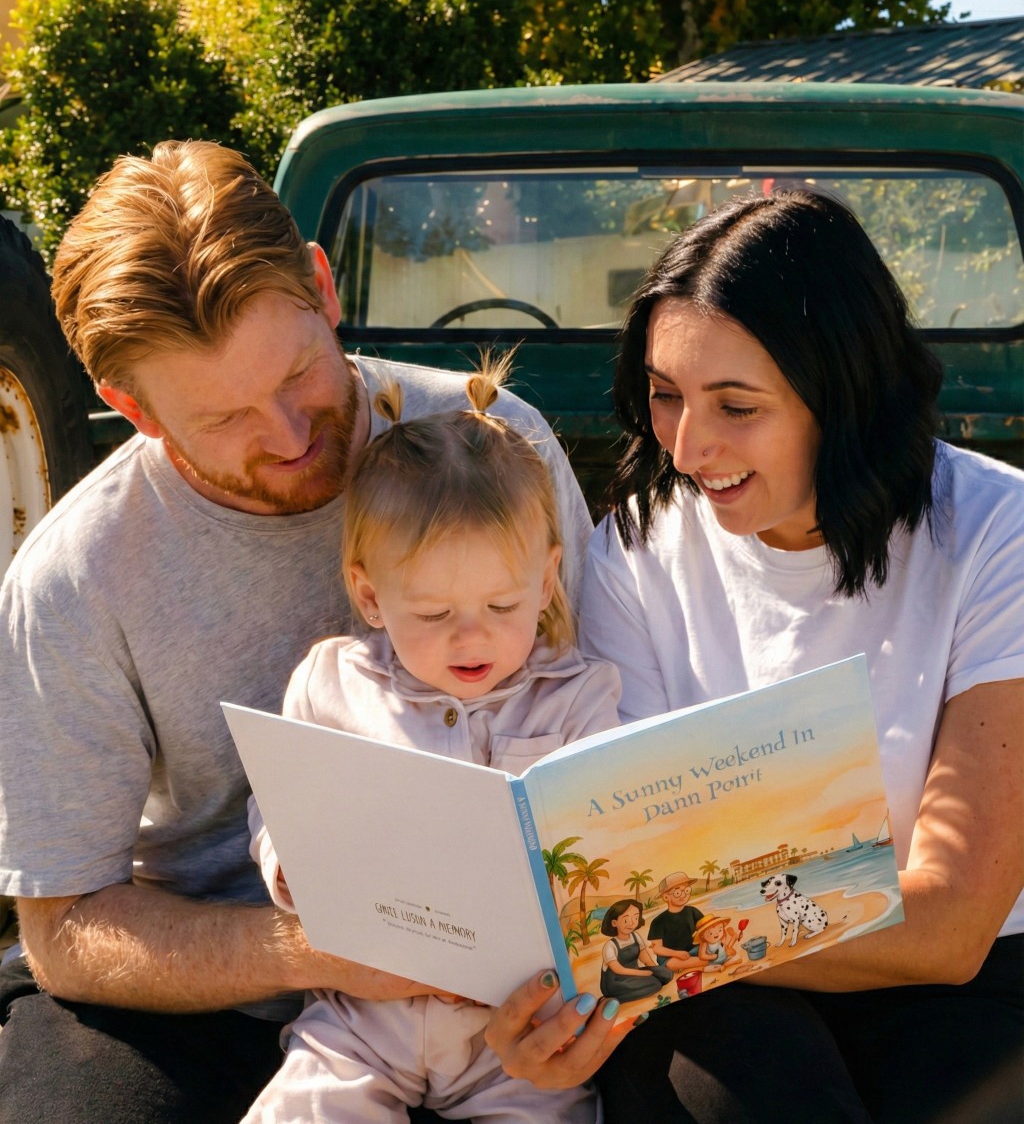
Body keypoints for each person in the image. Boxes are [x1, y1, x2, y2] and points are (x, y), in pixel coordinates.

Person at [0, 141, 596, 1124]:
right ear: (132, 409)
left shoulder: (496, 449)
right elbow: (64, 927)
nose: (286, 434)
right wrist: (331, 947)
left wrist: (590, 990)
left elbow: (621, 730)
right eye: (225, 415)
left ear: (322, 287)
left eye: (299, 372)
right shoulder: (74, 575)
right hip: (211, 986)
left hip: (522, 984)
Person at [484, 188, 1023, 1123]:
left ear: (844, 392)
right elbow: (616, 870)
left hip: (954, 984)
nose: (689, 446)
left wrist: (647, 939)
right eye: (665, 394)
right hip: (718, 987)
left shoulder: (995, 532)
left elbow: (949, 925)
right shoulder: (635, 550)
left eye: (736, 405)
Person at [243, 362, 621, 1123]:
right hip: (361, 1022)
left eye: (502, 603)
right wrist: (287, 862)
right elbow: (277, 804)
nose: (471, 633)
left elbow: (608, 852)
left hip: (513, 1032)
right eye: (434, 612)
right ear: (371, 596)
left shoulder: (581, 697)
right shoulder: (329, 683)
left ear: (547, 582)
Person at [598, 900, 674, 1004]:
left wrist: (657, 970)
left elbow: (645, 959)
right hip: (616, 982)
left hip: (634, 975)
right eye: (626, 920)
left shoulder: (635, 936)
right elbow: (618, 969)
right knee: (655, 984)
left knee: (667, 973)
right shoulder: (610, 946)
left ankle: (641, 986)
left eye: (636, 918)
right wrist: (643, 973)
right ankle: (613, 998)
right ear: (614, 923)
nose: (632, 923)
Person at [645, 871, 703, 971]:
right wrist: (676, 953)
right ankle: (706, 962)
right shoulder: (658, 921)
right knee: (670, 964)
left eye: (686, 890)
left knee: (711, 947)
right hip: (670, 956)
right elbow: (657, 948)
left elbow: (706, 929)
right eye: (677, 892)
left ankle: (696, 963)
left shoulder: (693, 911)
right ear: (666, 897)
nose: (683, 895)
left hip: (693, 950)